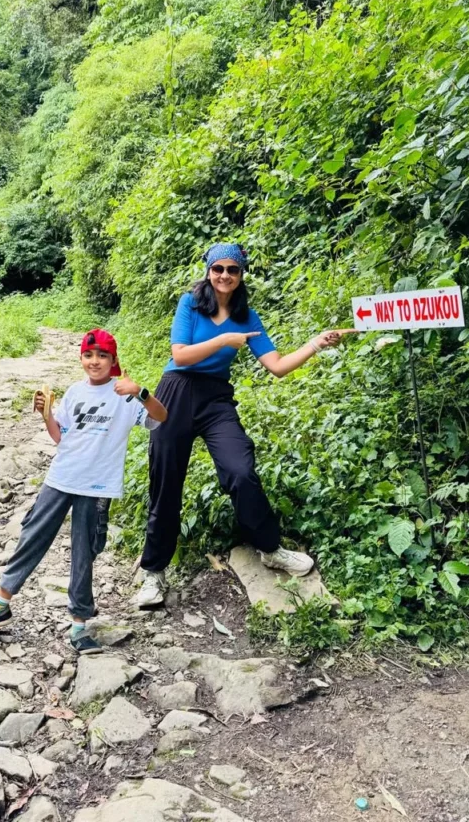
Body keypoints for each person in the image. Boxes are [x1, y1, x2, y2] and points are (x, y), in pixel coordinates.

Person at [137, 242, 355, 609]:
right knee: (166, 482)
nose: (225, 275)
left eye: (233, 270)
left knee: (241, 469)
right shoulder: (190, 303)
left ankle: (269, 548)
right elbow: (180, 354)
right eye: (218, 268)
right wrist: (223, 339)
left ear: (241, 275)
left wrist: (316, 343)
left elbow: (278, 366)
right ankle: (154, 573)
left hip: (216, 398)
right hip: (175, 393)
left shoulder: (247, 317)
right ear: (208, 271)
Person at [0, 328, 168, 653]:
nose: (95, 361)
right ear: (81, 358)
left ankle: (79, 626)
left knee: (83, 552)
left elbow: (161, 416)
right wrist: (45, 414)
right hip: (60, 478)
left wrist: (141, 391)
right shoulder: (74, 392)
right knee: (32, 535)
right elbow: (60, 437)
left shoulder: (125, 395)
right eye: (88, 355)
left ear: (113, 360)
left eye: (102, 356)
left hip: (96, 486)